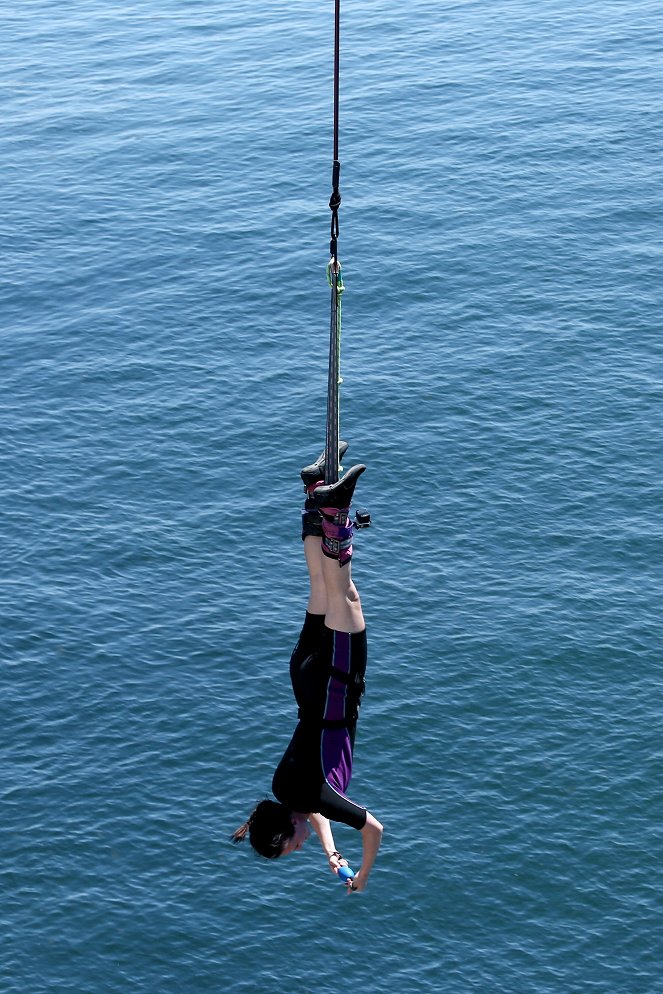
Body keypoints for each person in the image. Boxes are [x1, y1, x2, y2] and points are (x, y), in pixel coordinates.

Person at [231, 445, 383, 893]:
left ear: (283, 833)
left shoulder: (313, 797)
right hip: (302, 675)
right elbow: (315, 810)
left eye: (289, 848)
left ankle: (336, 509)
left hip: (334, 687)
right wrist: (330, 851)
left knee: (346, 595)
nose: (296, 850)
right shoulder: (284, 790)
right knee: (319, 586)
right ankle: (315, 488)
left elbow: (373, 829)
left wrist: (363, 877)